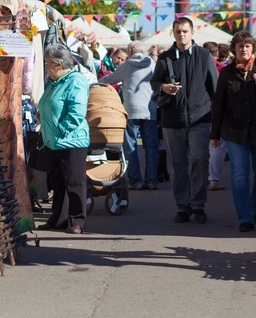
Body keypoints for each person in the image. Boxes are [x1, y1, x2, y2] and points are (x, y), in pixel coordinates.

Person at [210, 30, 256, 232]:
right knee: (239, 174)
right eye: (240, 46)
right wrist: (214, 134)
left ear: (252, 48)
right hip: (236, 131)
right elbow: (219, 104)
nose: (243, 49)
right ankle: (245, 217)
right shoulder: (227, 73)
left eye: (247, 46)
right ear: (234, 49)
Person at [151, 17, 219, 223]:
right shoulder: (165, 57)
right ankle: (183, 206)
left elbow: (214, 87)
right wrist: (163, 87)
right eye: (178, 31)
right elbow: (154, 82)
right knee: (178, 164)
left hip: (200, 117)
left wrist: (217, 119)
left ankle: (198, 204)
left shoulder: (204, 55)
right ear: (173, 33)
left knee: (199, 160)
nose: (182, 34)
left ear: (192, 33)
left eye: (185, 31)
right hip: (173, 119)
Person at [36, 43, 90, 234]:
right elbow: (51, 105)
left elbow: (77, 112)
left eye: (47, 63)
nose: (45, 67)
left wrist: (61, 129)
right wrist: (42, 115)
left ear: (58, 65)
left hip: (70, 141)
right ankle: (58, 220)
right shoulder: (55, 82)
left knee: (75, 182)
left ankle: (78, 221)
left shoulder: (75, 81)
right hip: (54, 141)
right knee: (58, 183)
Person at [98, 41, 159, 190]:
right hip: (150, 109)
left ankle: (135, 181)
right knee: (151, 147)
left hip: (131, 110)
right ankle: (151, 180)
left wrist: (96, 82)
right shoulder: (153, 64)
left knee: (130, 146)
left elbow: (109, 80)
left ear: (130, 51)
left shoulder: (126, 66)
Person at [204, 41, 228, 191]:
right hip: (217, 110)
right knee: (217, 146)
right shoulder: (222, 68)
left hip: (199, 111)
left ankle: (201, 177)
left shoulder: (197, 66)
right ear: (216, 53)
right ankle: (214, 179)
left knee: (201, 146)